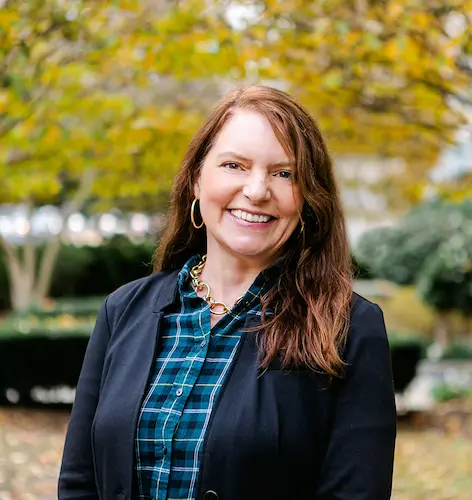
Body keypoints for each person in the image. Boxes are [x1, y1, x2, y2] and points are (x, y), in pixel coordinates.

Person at [58, 84, 396, 500]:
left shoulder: (351, 328)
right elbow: (79, 483)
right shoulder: (122, 311)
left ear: (307, 198)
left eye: (283, 173)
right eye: (234, 165)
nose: (256, 190)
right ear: (197, 180)